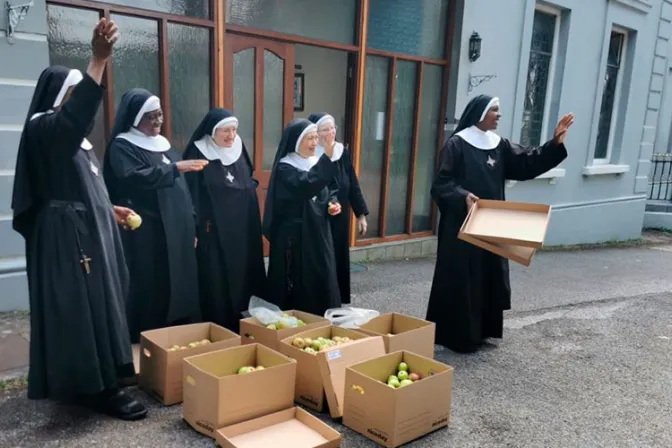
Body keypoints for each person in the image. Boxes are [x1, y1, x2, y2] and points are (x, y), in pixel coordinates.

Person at [10, 18, 148, 420]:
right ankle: (98, 390)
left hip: (91, 234)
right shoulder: (45, 129)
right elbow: (71, 121)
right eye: (72, 94)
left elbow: (84, 187)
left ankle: (98, 377)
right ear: (57, 96)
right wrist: (98, 61)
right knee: (83, 310)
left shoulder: (74, 142)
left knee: (100, 307)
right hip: (67, 244)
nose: (77, 103)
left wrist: (110, 209)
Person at [426, 94, 574, 354]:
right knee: (464, 277)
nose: (499, 114)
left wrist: (554, 144)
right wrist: (463, 197)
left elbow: (526, 162)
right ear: (480, 113)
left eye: (498, 109)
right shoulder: (456, 145)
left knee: (488, 275)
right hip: (461, 227)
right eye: (494, 109)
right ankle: (458, 336)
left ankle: (483, 331)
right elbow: (441, 184)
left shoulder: (499, 145)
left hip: (491, 223)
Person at [103, 88, 206, 343]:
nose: (158, 121)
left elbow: (183, 190)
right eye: (151, 116)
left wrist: (191, 224)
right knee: (152, 286)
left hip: (177, 232)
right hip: (148, 233)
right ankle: (147, 340)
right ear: (136, 118)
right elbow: (133, 177)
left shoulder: (165, 146)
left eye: (160, 115)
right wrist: (173, 169)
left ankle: (178, 335)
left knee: (181, 284)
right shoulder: (122, 145)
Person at [183, 109, 266, 333]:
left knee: (245, 276)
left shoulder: (238, 147)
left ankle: (247, 320)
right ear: (212, 132)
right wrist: (193, 228)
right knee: (217, 281)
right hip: (214, 232)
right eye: (225, 131)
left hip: (242, 229)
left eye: (234, 130)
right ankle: (218, 326)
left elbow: (246, 177)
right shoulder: (198, 152)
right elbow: (190, 194)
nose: (231, 136)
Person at [263, 119, 342, 316]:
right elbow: (306, 185)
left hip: (318, 231)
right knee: (298, 282)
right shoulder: (285, 167)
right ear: (297, 141)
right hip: (294, 237)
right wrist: (328, 157)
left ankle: (323, 317)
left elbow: (328, 188)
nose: (315, 142)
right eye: (309, 138)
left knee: (322, 277)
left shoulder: (314, 162)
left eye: (316, 137)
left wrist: (332, 203)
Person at [308, 113, 368, 305]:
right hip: (319, 215)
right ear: (316, 133)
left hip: (340, 215)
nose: (331, 132)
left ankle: (338, 299)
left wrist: (360, 214)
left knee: (339, 255)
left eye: (333, 127)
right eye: (325, 129)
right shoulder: (311, 155)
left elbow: (352, 183)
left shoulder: (343, 152)